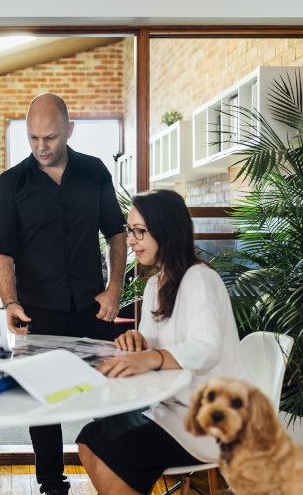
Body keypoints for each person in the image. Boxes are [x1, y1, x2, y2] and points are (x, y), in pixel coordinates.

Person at [0, 92, 127, 495]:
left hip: (93, 308)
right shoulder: (10, 184)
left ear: (69, 130)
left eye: (49, 137)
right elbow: (1, 251)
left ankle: (117, 474)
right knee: (42, 402)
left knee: (112, 392)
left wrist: (115, 288)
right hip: (38, 311)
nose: (41, 147)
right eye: (33, 138)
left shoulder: (95, 171)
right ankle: (51, 484)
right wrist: (10, 302)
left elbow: (116, 232)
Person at [76, 190, 253, 495]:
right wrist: (137, 341)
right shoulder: (155, 285)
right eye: (129, 230)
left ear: (166, 230)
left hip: (215, 417)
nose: (130, 241)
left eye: (139, 231)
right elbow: (151, 344)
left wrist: (150, 357)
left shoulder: (199, 278)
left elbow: (207, 347)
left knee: (111, 452)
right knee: (88, 441)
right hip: (171, 406)